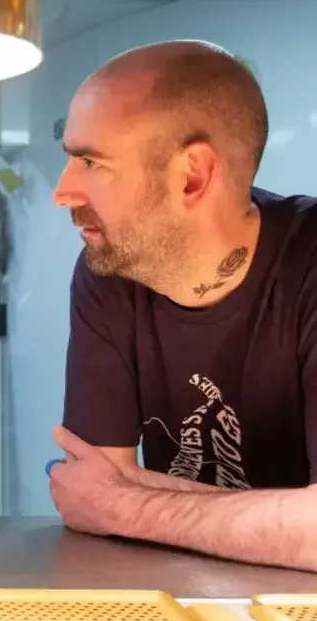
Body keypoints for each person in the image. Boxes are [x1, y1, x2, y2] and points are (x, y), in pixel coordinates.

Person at [49, 39, 317, 573]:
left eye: (90, 162)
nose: (64, 191)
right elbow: (89, 491)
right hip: (181, 601)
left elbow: (109, 499)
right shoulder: (110, 271)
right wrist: (289, 520)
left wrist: (127, 505)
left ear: (192, 176)